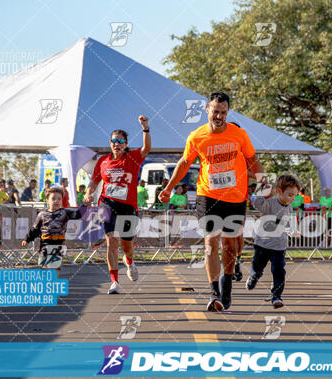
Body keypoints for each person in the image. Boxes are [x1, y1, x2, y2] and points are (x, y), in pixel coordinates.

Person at [158, 91, 264, 311]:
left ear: (228, 112)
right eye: (215, 111)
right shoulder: (197, 136)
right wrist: (168, 188)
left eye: (223, 112)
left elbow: (252, 158)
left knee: (229, 246)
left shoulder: (238, 134)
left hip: (235, 198)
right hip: (208, 196)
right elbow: (185, 162)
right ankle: (214, 293)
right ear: (207, 110)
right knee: (210, 243)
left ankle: (226, 290)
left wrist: (263, 181)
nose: (218, 116)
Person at [84, 115, 152, 294]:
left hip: (128, 207)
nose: (117, 144)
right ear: (110, 142)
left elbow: (146, 148)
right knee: (111, 242)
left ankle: (129, 261)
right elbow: (94, 181)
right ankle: (114, 281)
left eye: (120, 141)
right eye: (114, 141)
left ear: (126, 143)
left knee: (126, 245)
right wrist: (88, 193)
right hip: (107, 205)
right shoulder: (103, 161)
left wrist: (145, 128)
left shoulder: (132, 158)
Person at [246, 175, 301, 308]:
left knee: (279, 271)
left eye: (295, 196)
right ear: (279, 191)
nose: (292, 199)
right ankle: (254, 276)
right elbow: (257, 204)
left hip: (279, 246)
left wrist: (291, 231)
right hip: (263, 244)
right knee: (258, 267)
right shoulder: (270, 203)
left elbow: (285, 224)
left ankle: (276, 296)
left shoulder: (289, 207)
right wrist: (264, 194)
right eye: (290, 195)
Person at [21, 187, 85, 275]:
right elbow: (35, 229)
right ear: (47, 200)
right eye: (53, 199)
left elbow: (78, 215)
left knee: (55, 266)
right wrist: (27, 239)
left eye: (59, 199)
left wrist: (85, 205)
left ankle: (53, 283)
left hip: (58, 244)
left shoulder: (64, 212)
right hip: (45, 244)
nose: (56, 201)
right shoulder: (42, 214)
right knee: (44, 265)